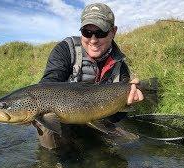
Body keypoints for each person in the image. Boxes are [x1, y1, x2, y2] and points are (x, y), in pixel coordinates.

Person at [32, 3, 144, 150]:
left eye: (100, 33)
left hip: (98, 120)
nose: (93, 40)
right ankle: (53, 165)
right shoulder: (65, 50)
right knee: (44, 123)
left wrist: (127, 102)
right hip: (64, 121)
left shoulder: (120, 66)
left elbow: (115, 117)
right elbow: (48, 84)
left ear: (113, 32)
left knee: (126, 145)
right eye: (86, 32)